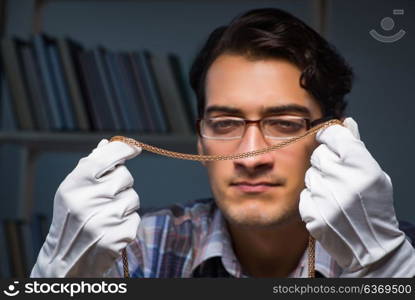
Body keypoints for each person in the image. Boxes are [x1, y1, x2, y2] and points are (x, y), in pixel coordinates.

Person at [31, 8, 415, 278]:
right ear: (200, 143)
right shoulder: (136, 249)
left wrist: (386, 274)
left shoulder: (398, 255)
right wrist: (55, 283)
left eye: (283, 123)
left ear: (333, 141)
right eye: (226, 122)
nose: (250, 156)